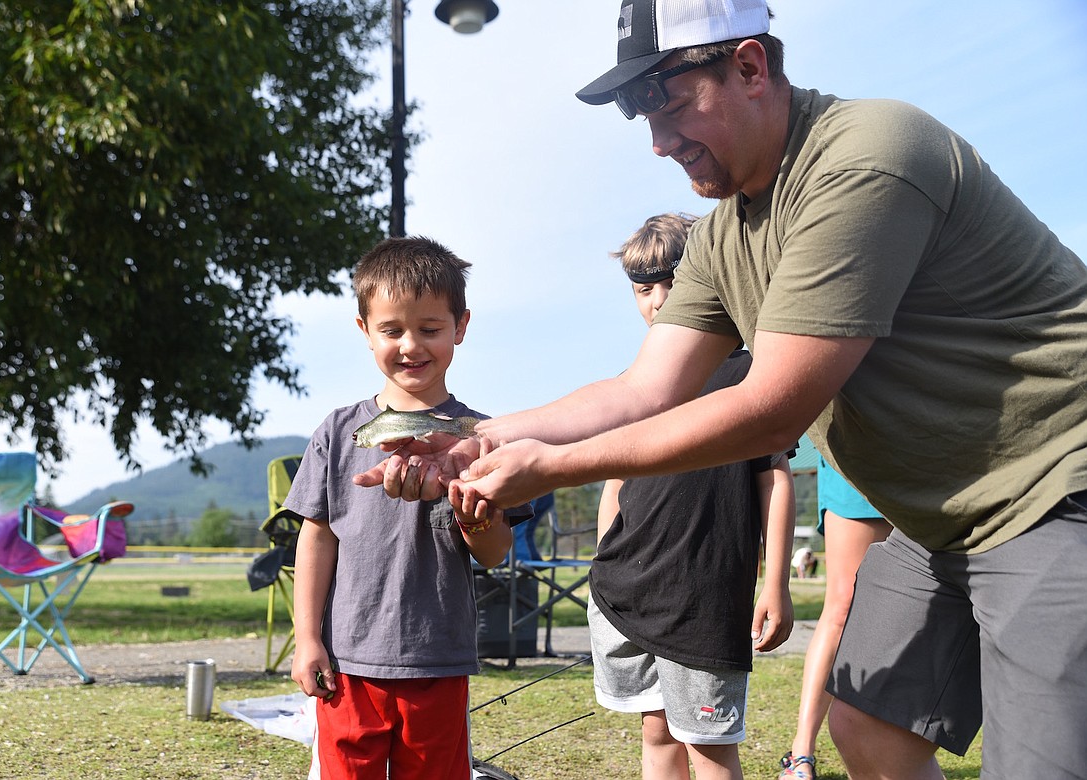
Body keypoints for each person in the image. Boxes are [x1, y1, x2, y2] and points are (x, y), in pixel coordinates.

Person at [354, 2, 1087, 778]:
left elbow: (771, 404)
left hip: (1054, 482)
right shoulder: (725, 236)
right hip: (940, 517)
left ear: (749, 66)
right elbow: (645, 387)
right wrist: (485, 441)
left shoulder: (866, 157)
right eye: (640, 113)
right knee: (870, 729)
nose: (659, 141)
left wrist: (549, 467)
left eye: (668, 102)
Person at [285, 236, 513, 780]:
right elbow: (316, 538)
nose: (411, 345)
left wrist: (469, 505)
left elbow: (495, 551)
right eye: (392, 330)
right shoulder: (340, 433)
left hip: (438, 659)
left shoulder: (482, 436)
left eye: (430, 329)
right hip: (347, 664)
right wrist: (307, 639)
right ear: (365, 331)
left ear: (461, 327)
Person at [590, 211, 796, 780]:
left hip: (706, 596)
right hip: (627, 587)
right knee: (655, 730)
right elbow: (616, 478)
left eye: (672, 283)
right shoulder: (637, 384)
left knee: (708, 743)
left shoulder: (751, 375)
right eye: (642, 288)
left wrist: (774, 582)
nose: (657, 300)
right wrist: (606, 550)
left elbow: (772, 479)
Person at [779, 457, 892, 780]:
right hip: (859, 457)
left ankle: (906, 747)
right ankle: (802, 754)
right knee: (843, 605)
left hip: (928, 457)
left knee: (910, 614)